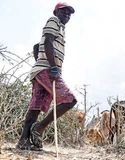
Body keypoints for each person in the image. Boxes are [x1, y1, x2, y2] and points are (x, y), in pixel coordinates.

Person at [16, 2, 77, 150]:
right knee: (70, 100)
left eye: (69, 13)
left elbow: (38, 46)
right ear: (56, 12)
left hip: (42, 70)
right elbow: (48, 41)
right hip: (48, 70)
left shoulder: (60, 28)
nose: (67, 15)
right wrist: (53, 66)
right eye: (64, 11)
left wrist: (39, 62)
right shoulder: (53, 21)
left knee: (35, 107)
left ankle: (24, 141)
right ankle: (39, 128)